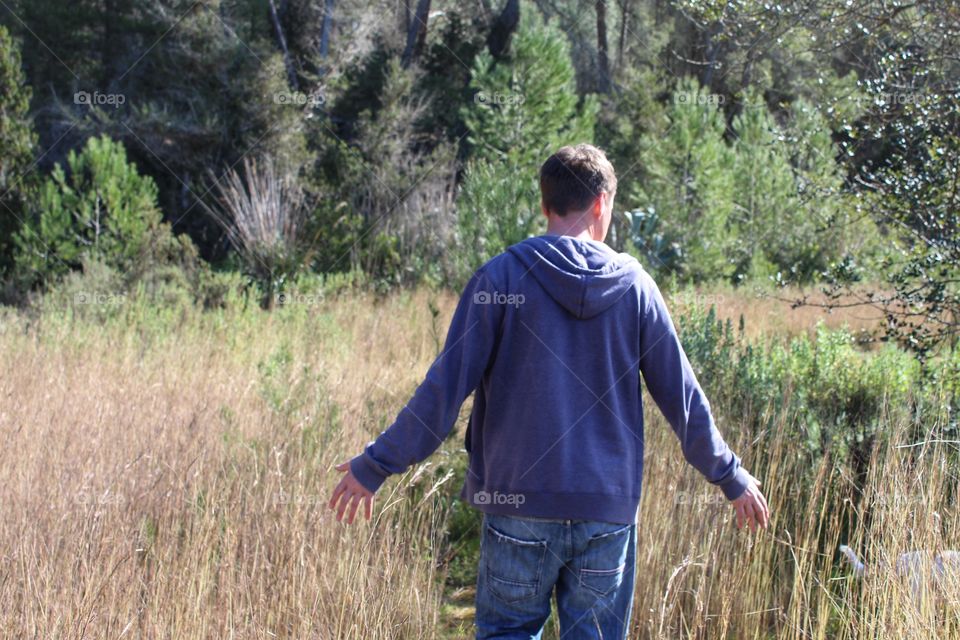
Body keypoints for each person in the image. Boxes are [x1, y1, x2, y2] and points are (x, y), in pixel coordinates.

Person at [328, 143, 770, 639]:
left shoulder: (500, 278)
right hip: (605, 511)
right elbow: (683, 401)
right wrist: (730, 477)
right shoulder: (636, 288)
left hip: (517, 504)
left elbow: (443, 392)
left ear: (546, 205)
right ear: (602, 204)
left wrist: (375, 465)